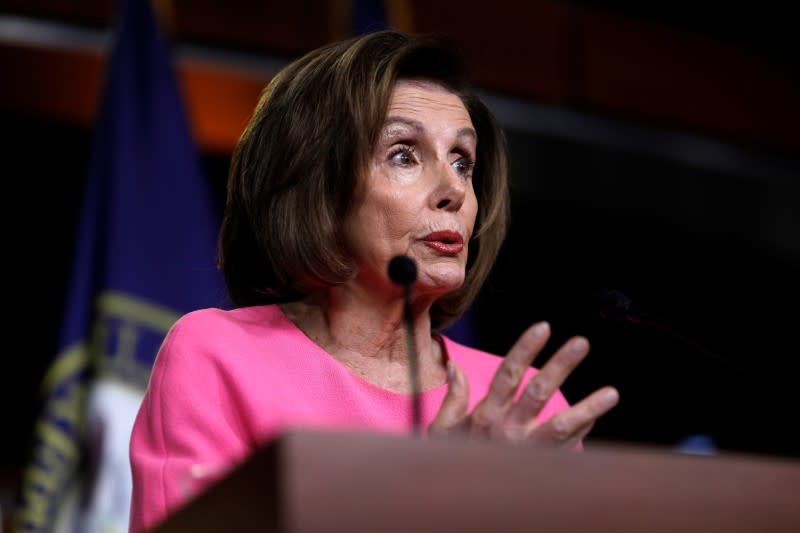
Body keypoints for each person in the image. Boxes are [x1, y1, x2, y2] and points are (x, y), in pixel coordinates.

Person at [128, 30, 619, 532]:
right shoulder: (219, 357)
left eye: (462, 162)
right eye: (404, 154)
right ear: (316, 186)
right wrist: (427, 501)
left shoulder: (520, 405)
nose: (453, 190)